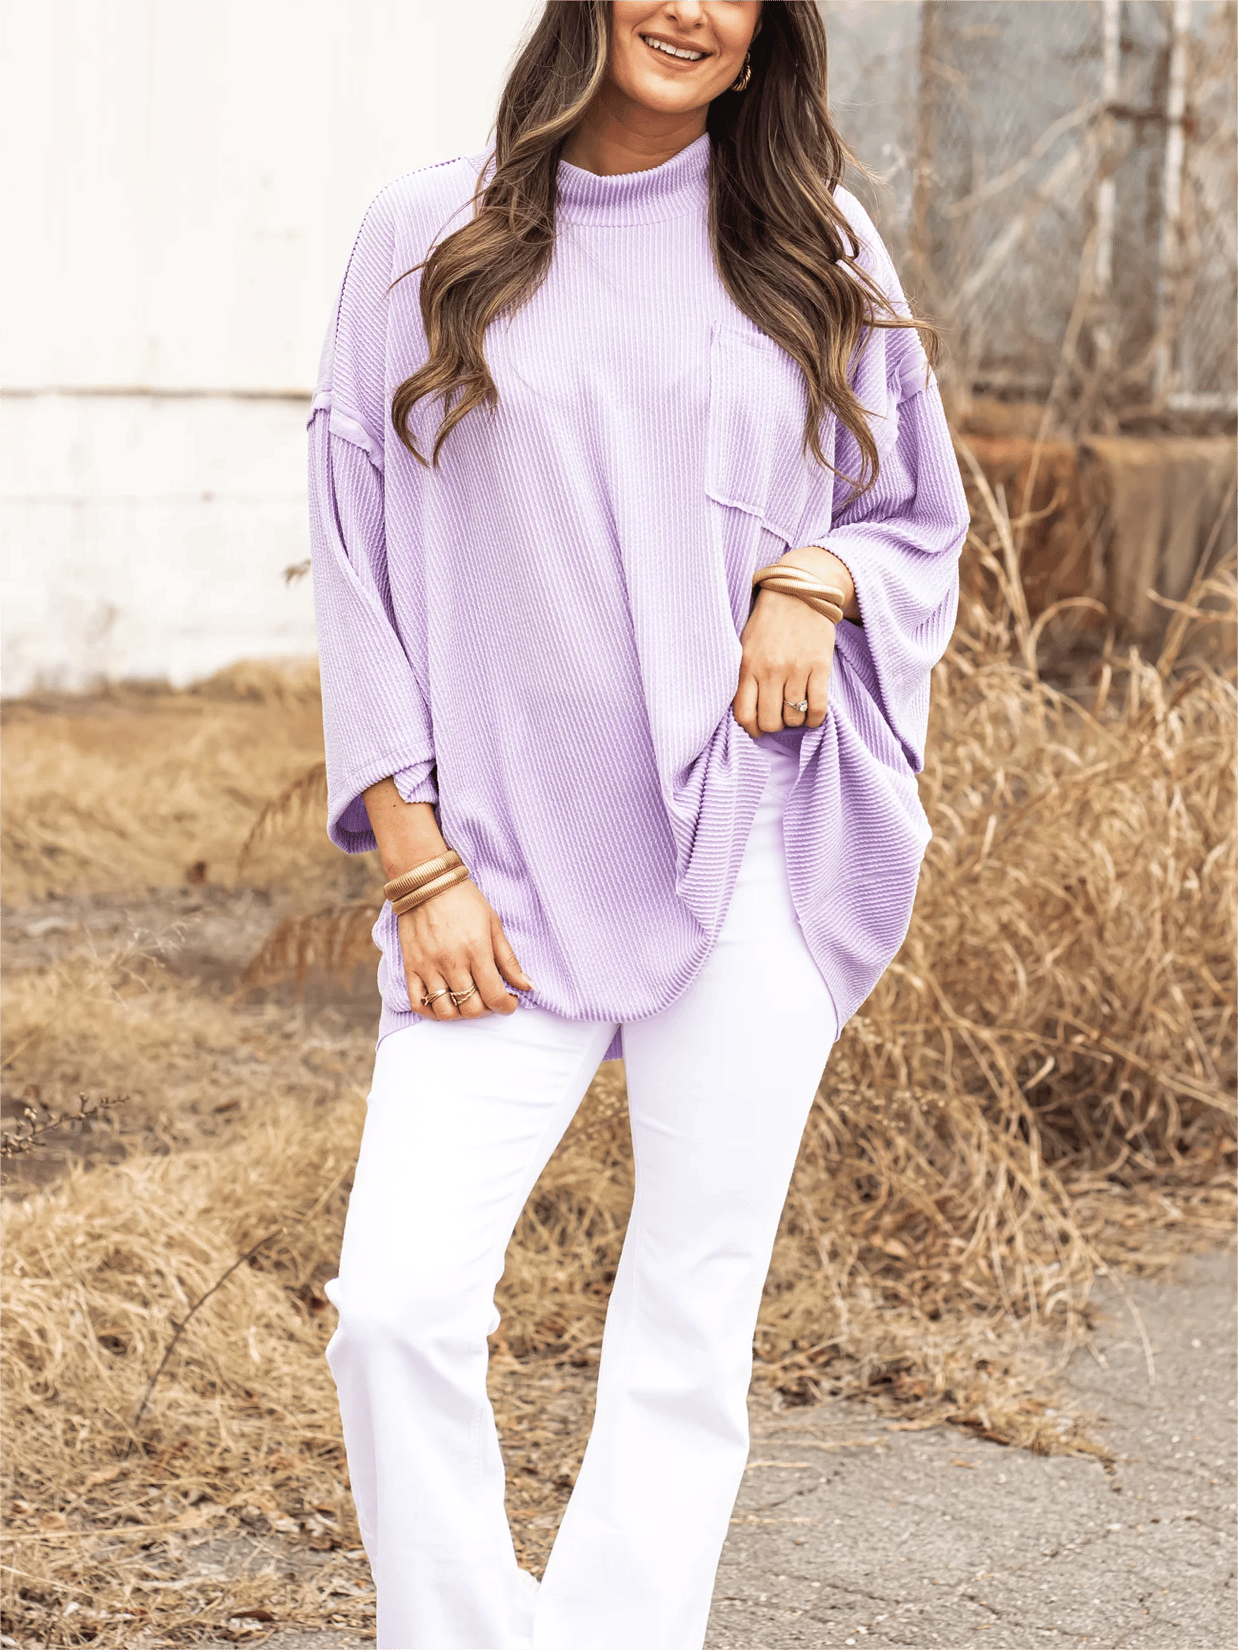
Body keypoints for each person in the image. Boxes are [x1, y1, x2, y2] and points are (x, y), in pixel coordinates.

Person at [308, 2, 968, 1645]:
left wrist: (816, 578)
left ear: (762, 36)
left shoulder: (812, 239)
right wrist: (415, 860)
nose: (689, 8)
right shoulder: (427, 231)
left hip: (754, 827)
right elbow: (353, 553)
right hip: (492, 868)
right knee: (394, 1308)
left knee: (689, 1313)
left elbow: (913, 512)